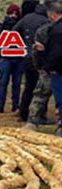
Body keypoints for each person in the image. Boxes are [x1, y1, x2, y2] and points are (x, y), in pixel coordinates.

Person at [14, 2, 50, 121]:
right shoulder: (47, 22)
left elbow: (14, 31)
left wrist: (23, 44)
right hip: (41, 58)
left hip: (27, 56)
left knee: (29, 86)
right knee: (42, 88)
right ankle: (39, 115)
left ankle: (23, 112)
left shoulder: (27, 18)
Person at [37, 0, 62, 136]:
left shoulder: (56, 30)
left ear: (52, 14)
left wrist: (46, 66)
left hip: (58, 70)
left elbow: (56, 52)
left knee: (60, 99)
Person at [0, 4, 25, 113]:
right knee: (4, 82)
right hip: (6, 57)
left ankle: (15, 106)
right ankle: (1, 106)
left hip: (17, 57)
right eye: (12, 13)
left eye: (15, 13)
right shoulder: (2, 26)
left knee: (16, 83)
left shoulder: (21, 25)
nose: (13, 16)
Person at [25, 21, 54, 129]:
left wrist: (39, 66)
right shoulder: (45, 30)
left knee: (40, 95)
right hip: (49, 68)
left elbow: (36, 52)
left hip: (46, 68)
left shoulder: (44, 29)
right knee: (41, 95)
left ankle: (32, 120)